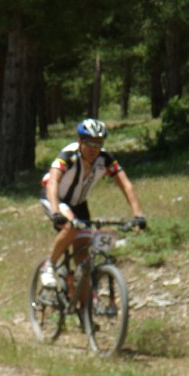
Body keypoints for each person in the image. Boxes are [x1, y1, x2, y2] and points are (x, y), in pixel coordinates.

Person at [39, 118, 146, 289]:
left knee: (83, 262)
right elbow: (53, 181)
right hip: (55, 198)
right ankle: (48, 265)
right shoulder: (68, 155)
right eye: (89, 143)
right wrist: (56, 211)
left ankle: (80, 300)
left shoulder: (105, 159)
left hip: (79, 204)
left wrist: (138, 214)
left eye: (98, 143)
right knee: (71, 226)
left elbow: (126, 185)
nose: (94, 148)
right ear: (79, 141)